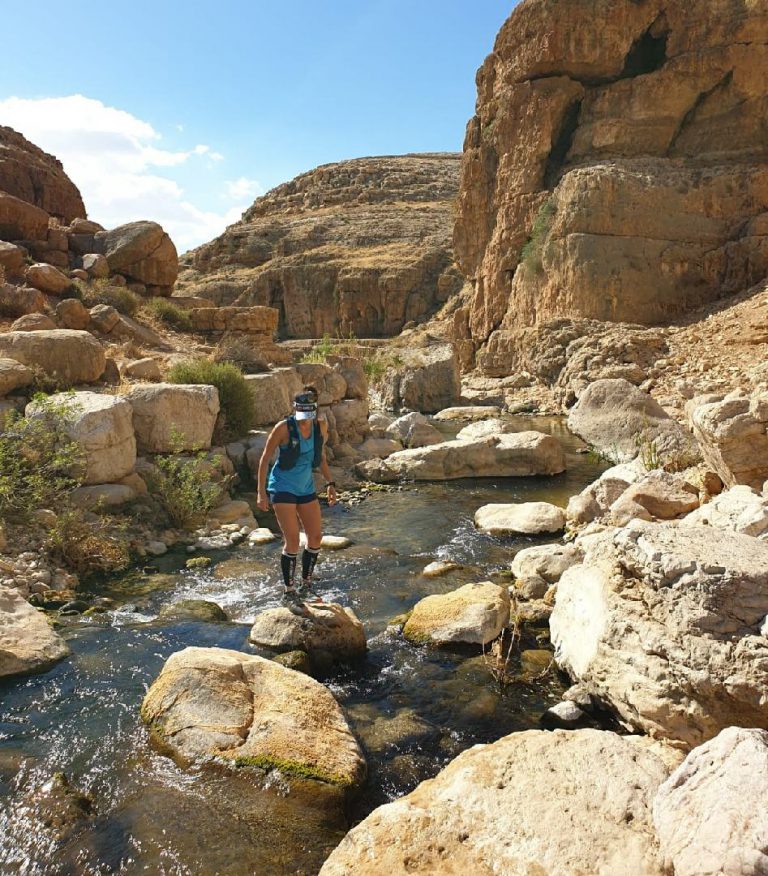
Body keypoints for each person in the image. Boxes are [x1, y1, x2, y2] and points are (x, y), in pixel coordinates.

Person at [257, 385, 338, 608]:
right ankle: (289, 590)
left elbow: (320, 456)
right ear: (294, 409)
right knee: (292, 540)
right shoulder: (283, 428)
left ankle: (307, 583)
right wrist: (261, 492)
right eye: (300, 413)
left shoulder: (321, 426)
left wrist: (330, 484)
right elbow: (265, 459)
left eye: (308, 414)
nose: (304, 419)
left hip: (306, 487)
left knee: (315, 537)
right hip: (282, 486)